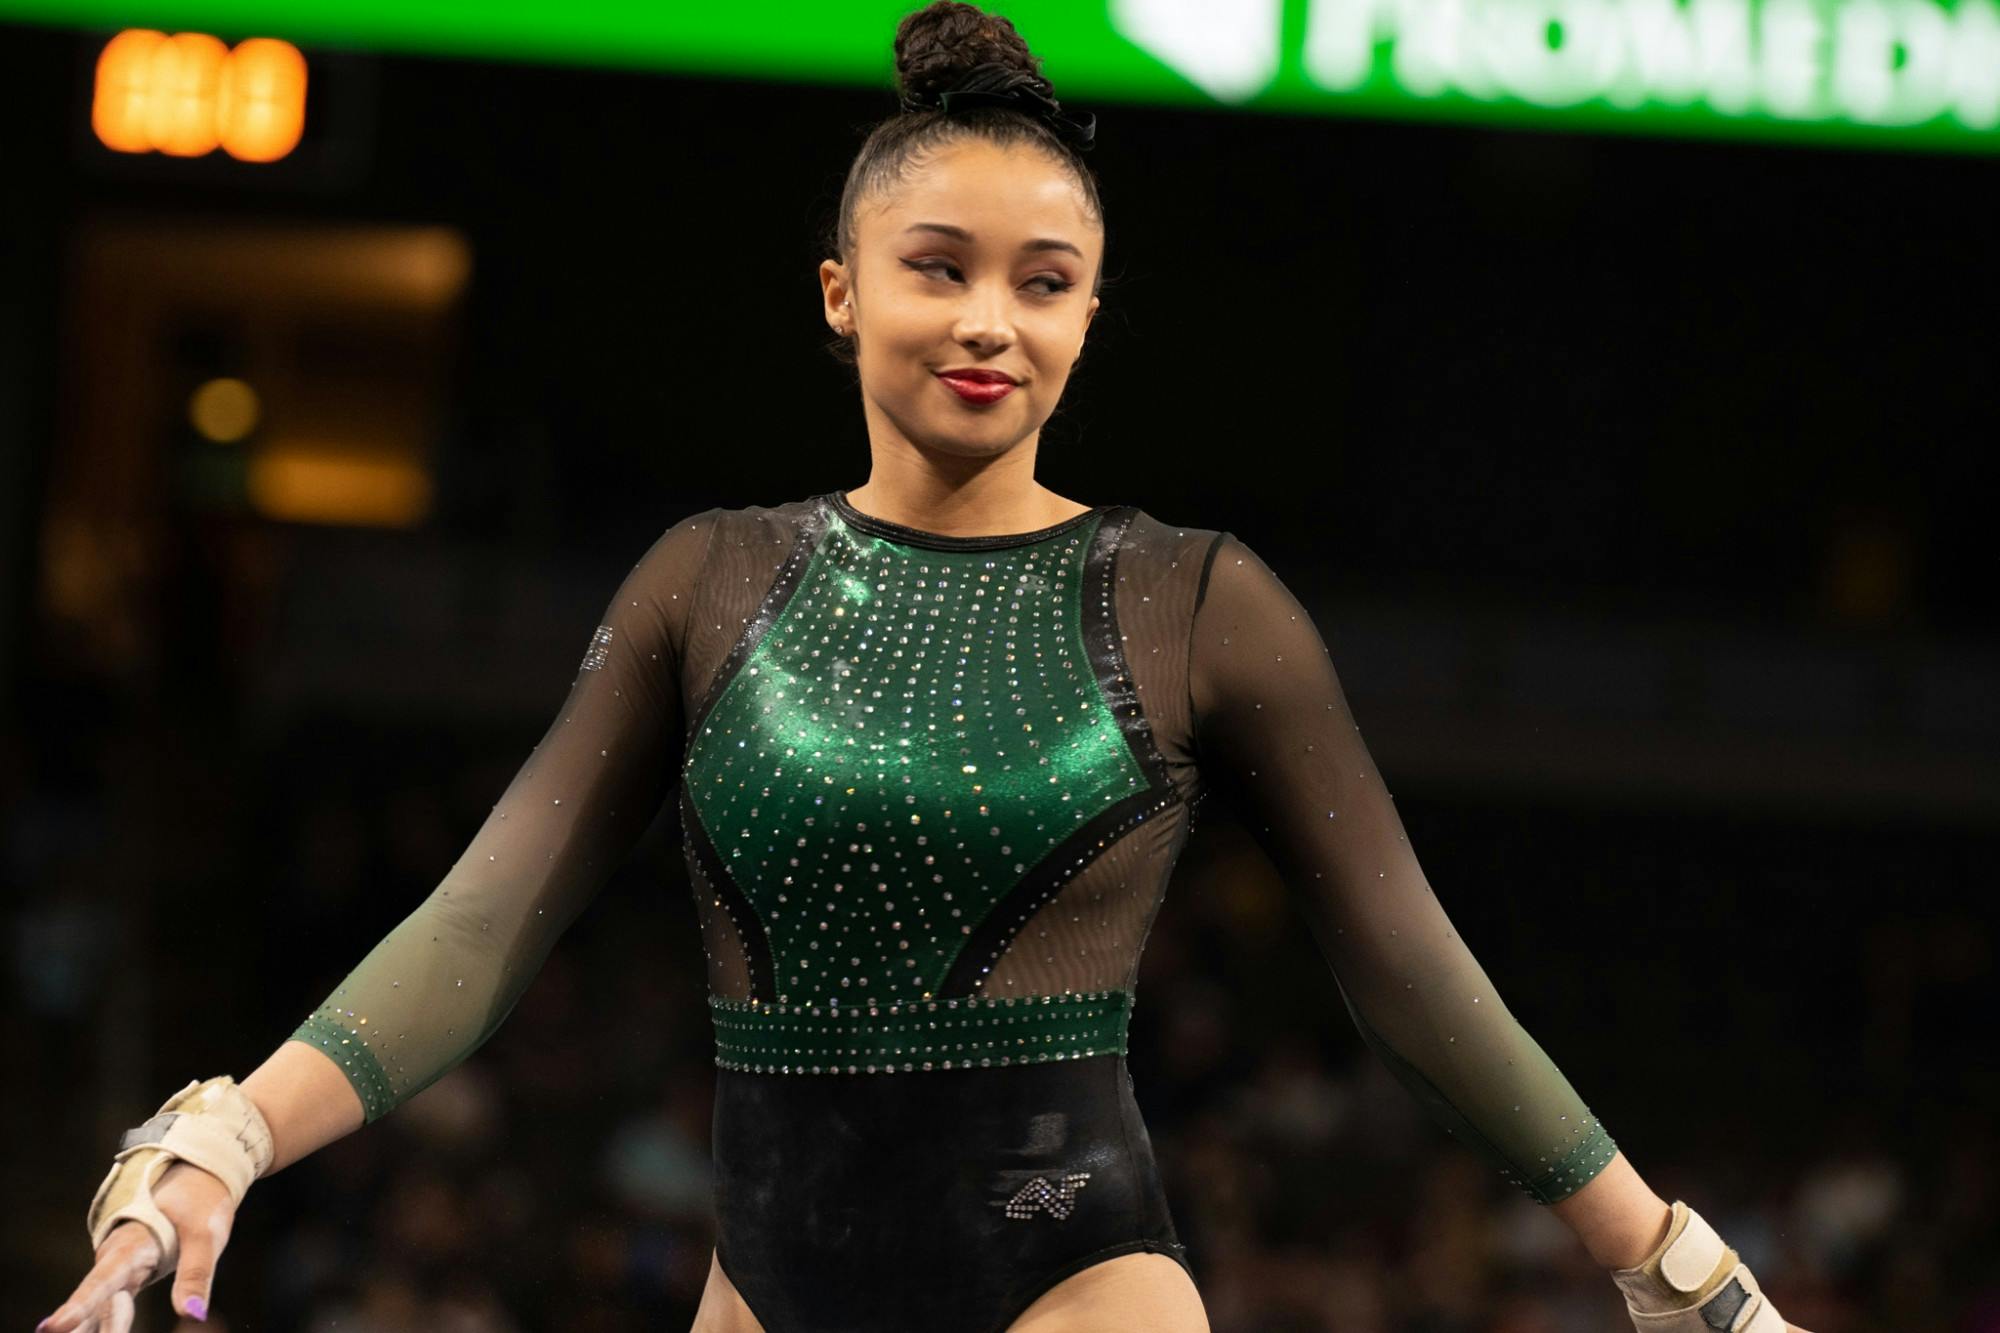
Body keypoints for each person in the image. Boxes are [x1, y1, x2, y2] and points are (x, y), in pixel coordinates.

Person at [39, 5, 1810, 1332]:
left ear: (1093, 312)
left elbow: (1416, 978)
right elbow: (482, 926)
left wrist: (1676, 1264)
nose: (990, 320)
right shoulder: (710, 579)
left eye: (1045, 283)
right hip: (767, 1288)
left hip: (1074, 1283)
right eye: (938, 268)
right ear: (838, 289)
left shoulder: (1196, 602)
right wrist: (224, 1136)